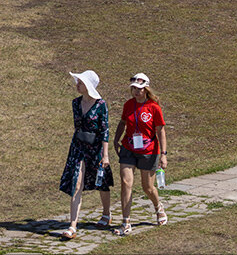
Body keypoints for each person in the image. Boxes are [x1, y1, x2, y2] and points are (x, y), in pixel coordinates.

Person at [58, 70, 112, 239]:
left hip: (96, 148)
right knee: (76, 182)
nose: (77, 85)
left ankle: (106, 213)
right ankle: (73, 225)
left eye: (80, 82)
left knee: (101, 182)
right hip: (78, 148)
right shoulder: (75, 103)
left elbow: (105, 131)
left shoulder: (100, 104)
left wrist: (105, 155)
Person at [112, 73, 168, 235]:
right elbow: (123, 122)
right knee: (125, 182)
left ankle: (158, 207)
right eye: (134, 89)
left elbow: (161, 131)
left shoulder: (154, 107)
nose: (136, 92)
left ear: (146, 89)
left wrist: (163, 154)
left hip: (149, 151)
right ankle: (125, 222)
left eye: (140, 89)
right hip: (128, 148)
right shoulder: (128, 105)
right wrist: (116, 140)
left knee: (148, 187)